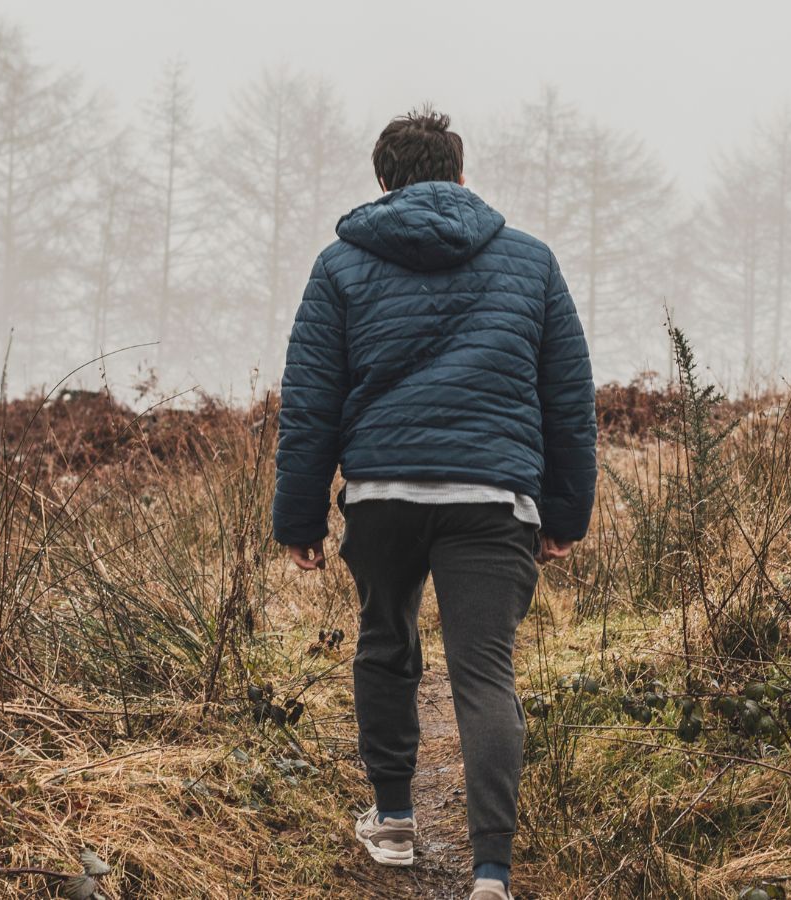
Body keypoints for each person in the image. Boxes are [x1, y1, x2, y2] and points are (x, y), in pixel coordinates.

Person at [272, 106, 596, 900]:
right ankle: (491, 872)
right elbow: (568, 398)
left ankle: (393, 823)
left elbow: (311, 400)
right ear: (459, 174)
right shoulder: (531, 262)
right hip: (493, 498)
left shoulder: (341, 265)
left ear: (382, 182)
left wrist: (300, 517)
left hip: (383, 492)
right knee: (484, 674)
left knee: (386, 644)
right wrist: (565, 512)